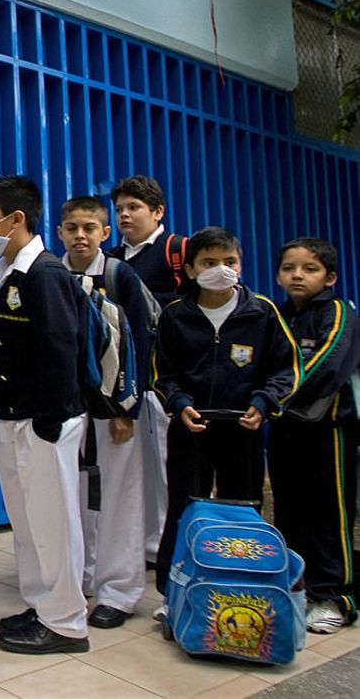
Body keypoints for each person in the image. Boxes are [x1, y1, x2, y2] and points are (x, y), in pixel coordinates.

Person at [152, 227, 300, 601]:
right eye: (209, 262)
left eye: (229, 262)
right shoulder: (175, 315)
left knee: (245, 506)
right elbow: (161, 372)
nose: (221, 269)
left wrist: (265, 403)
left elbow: (286, 369)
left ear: (241, 264)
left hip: (243, 429)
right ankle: (175, 592)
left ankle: (245, 588)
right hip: (191, 427)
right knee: (185, 507)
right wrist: (180, 403)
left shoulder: (262, 312)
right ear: (190, 270)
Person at [0, 176, 89, 654]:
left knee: (53, 521)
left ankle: (66, 623)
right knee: (27, 522)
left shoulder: (44, 274)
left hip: (43, 421)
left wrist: (49, 420)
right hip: (15, 416)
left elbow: (62, 350)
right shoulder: (12, 272)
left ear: (15, 219)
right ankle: (43, 603)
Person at [57, 196, 152, 629]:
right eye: (72, 227)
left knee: (118, 497)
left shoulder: (120, 275)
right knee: (71, 497)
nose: (80, 235)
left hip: (114, 409)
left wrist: (125, 410)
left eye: (89, 228)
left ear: (104, 233)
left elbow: (140, 343)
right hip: (64, 410)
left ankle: (120, 590)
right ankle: (78, 577)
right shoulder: (50, 274)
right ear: (60, 231)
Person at [268, 237, 360, 634]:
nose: (297, 276)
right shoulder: (277, 315)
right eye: (289, 268)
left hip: (329, 430)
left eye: (309, 269)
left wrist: (273, 392)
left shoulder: (338, 312)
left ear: (330, 277)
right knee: (290, 510)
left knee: (329, 513)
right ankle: (300, 587)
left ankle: (336, 597)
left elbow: (326, 364)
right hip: (285, 428)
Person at [109, 175, 188, 567]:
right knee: (132, 469)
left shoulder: (178, 252)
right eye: (120, 208)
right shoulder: (111, 259)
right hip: (124, 380)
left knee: (164, 469)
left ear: (157, 212)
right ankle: (141, 544)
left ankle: (165, 548)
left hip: (165, 383)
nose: (125, 214)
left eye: (134, 207)